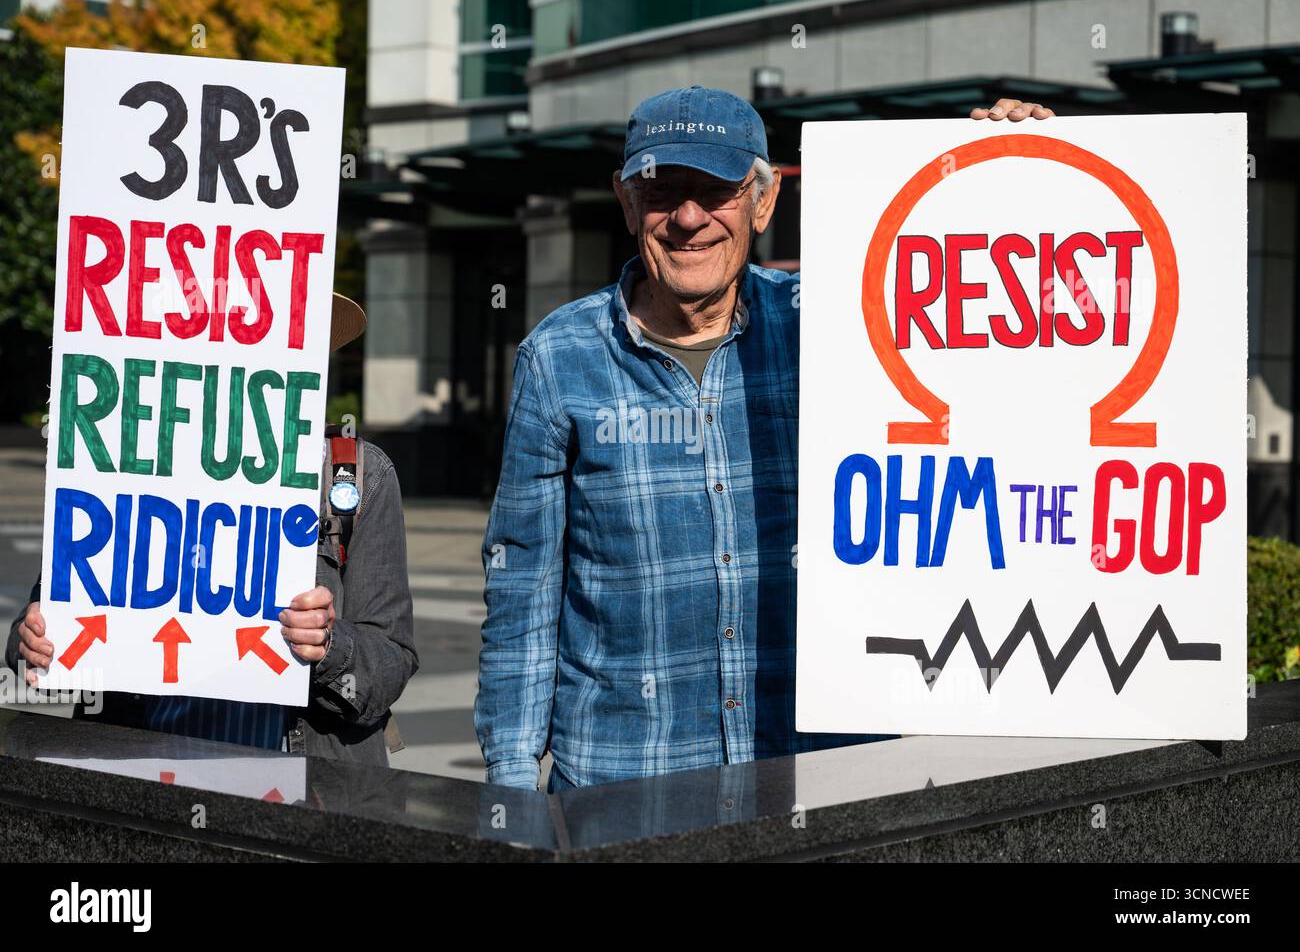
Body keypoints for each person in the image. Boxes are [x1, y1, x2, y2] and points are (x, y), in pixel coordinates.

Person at [476, 88, 1055, 791]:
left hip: (830, 778)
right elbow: (523, 590)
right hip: (628, 788)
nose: (689, 219)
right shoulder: (559, 358)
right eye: (662, 191)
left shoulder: (842, 330)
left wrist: (1022, 175)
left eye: (715, 190)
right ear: (627, 203)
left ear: (764, 199)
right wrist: (509, 786)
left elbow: (1004, 349)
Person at [7, 294, 417, 765]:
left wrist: (328, 646)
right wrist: (32, 641)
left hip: (297, 791)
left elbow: (390, 664)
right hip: (139, 778)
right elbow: (31, 640)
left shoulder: (358, 476)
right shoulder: (117, 468)